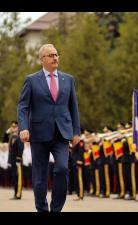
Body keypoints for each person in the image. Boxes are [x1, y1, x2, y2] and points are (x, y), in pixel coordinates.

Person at [17, 43, 81, 212]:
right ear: (42, 60)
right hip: (39, 134)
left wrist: (76, 131)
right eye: (51, 55)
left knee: (61, 169)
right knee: (40, 177)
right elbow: (23, 106)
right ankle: (42, 209)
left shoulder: (68, 79)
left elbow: (73, 107)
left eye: (56, 54)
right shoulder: (31, 80)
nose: (55, 58)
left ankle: (56, 209)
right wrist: (23, 127)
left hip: (62, 133)